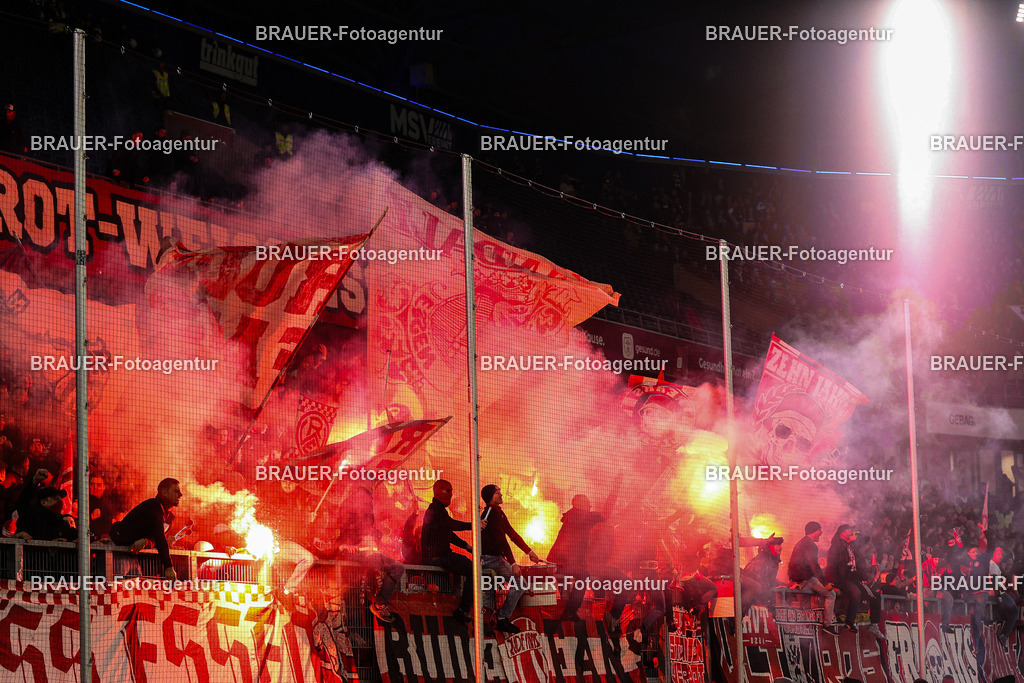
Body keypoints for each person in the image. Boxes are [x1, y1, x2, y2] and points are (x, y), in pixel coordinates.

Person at [333, 485, 405, 624]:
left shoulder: (359, 504)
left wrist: (379, 537)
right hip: (353, 554)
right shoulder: (353, 506)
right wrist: (345, 546)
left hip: (361, 553)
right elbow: (350, 528)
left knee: (355, 591)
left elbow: (366, 528)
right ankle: (379, 605)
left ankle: (371, 611)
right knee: (397, 568)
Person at [480, 484, 541, 633]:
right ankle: (501, 619)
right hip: (490, 559)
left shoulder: (498, 513)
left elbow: (512, 534)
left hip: (495, 559)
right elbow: (502, 540)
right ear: (491, 496)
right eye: (498, 493)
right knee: (519, 583)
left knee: (491, 590)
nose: (501, 495)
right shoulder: (490, 513)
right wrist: (513, 563)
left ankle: (490, 620)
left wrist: (529, 551)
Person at [421, 479, 478, 624]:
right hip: (439, 557)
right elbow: (452, 525)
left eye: (451, 491)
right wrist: (474, 525)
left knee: (450, 585)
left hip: (439, 556)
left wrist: (465, 545)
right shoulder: (436, 510)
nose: (450, 495)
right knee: (474, 570)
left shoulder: (437, 510)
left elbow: (448, 532)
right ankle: (463, 610)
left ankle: (460, 609)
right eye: (447, 491)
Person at [109, 478, 182, 580]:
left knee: (133, 588)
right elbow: (160, 539)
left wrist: (146, 541)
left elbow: (156, 539)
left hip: (131, 553)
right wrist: (168, 567)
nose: (180, 495)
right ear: (164, 492)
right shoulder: (154, 507)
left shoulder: (167, 516)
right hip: (119, 550)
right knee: (117, 586)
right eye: (176, 491)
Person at [828, 525, 883, 638]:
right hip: (843, 579)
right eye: (849, 530)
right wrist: (832, 581)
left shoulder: (852, 545)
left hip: (854, 579)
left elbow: (866, 538)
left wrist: (856, 535)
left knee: (875, 595)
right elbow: (832, 565)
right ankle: (849, 622)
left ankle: (874, 624)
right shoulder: (836, 547)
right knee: (856, 592)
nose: (851, 532)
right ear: (842, 533)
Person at [787, 521, 838, 634]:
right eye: (820, 530)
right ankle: (827, 624)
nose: (821, 532)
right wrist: (825, 584)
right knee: (831, 594)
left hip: (798, 580)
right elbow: (814, 566)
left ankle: (805, 627)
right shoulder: (810, 545)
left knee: (806, 603)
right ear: (815, 531)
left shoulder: (800, 543)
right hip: (807, 580)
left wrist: (792, 579)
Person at [741, 536, 784, 616]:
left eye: (781, 545)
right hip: (751, 597)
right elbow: (760, 581)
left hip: (758, 595)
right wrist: (767, 599)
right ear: (771, 546)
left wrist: (783, 584)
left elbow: (770, 579)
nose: (781, 548)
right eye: (778, 545)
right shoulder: (761, 560)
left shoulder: (772, 559)